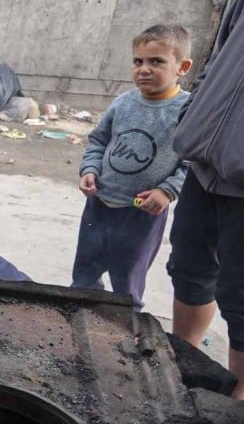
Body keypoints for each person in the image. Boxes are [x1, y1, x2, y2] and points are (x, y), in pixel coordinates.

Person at [168, 0, 244, 402]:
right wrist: (196, 110)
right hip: (205, 160)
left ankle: (240, 406)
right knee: (188, 269)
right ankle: (182, 369)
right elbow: (221, 53)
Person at [71, 25, 192, 310]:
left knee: (127, 283)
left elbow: (193, 161)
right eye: (138, 61)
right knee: (84, 273)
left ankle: (126, 331)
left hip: (141, 215)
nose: (144, 69)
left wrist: (167, 191)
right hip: (98, 204)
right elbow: (98, 141)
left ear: (182, 67)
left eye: (157, 62)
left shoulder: (186, 111)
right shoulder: (123, 103)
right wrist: (89, 170)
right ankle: (77, 318)